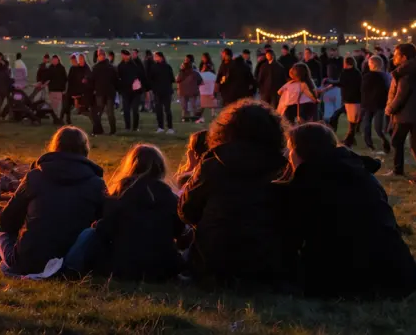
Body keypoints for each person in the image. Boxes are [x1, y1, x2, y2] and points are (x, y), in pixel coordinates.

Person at [283, 122, 416, 299]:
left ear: (300, 152)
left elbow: (292, 239)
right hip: (395, 275)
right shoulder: (363, 174)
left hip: (338, 281)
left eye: (290, 149)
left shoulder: (304, 184)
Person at [178, 101, 288, 287]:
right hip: (265, 261)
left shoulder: (212, 165)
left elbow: (187, 211)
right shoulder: (282, 168)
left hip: (215, 260)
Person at [0, 126, 106, 276]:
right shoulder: (96, 183)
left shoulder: (34, 177)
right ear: (84, 149)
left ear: (55, 147)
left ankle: (17, 262)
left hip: (28, 262)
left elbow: (7, 220)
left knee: (3, 234)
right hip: (70, 262)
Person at [65, 144, 185, 280]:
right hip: (162, 269)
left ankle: (70, 269)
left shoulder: (119, 194)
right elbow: (179, 230)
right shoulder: (170, 197)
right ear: (160, 168)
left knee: (89, 233)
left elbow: (106, 229)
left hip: (122, 267)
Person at [386, 43, 416, 177]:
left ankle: (399, 170)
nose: (393, 57)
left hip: (406, 115)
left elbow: (401, 96)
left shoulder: (406, 74)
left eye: (396, 55)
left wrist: (390, 109)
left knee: (397, 141)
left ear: (404, 57)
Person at [360, 56, 392, 153]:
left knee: (369, 125)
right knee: (376, 127)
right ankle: (382, 142)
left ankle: (370, 144)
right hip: (379, 104)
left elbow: (363, 90)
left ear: (373, 64)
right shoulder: (386, 76)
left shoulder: (368, 76)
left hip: (372, 104)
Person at [89, 50, 118, 135]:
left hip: (102, 93)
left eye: (100, 55)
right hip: (106, 93)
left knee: (101, 113)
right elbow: (115, 80)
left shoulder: (97, 68)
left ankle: (100, 130)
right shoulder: (111, 67)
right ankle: (111, 130)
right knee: (107, 113)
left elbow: (92, 80)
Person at [338, 56, 364, 146]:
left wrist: (330, 82)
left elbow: (341, 83)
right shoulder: (357, 73)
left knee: (352, 120)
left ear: (346, 63)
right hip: (356, 99)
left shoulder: (345, 73)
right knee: (353, 120)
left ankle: (349, 140)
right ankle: (350, 139)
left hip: (350, 99)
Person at [117, 49, 145, 131]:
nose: (124, 57)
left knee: (135, 110)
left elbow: (141, 75)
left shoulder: (135, 65)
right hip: (125, 91)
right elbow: (119, 78)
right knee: (126, 110)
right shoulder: (120, 66)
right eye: (122, 55)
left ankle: (135, 127)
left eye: (125, 55)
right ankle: (127, 126)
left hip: (135, 91)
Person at [148, 51, 175, 134]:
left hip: (166, 91)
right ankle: (160, 127)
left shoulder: (167, 67)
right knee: (159, 110)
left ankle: (170, 128)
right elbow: (150, 79)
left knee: (167, 110)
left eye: (156, 56)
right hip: (158, 92)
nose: (155, 58)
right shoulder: (154, 67)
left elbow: (172, 79)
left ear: (161, 57)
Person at [64, 53, 91, 124]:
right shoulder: (73, 68)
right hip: (72, 91)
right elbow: (69, 80)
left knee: (83, 110)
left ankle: (94, 121)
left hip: (81, 92)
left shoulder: (85, 68)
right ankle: (65, 120)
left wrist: (85, 79)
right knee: (66, 105)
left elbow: (88, 77)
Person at [177, 55, 201, 123]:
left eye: (186, 59)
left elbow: (178, 79)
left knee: (187, 106)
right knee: (190, 105)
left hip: (187, 90)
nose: (185, 60)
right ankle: (190, 118)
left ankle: (186, 118)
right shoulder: (191, 71)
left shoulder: (190, 70)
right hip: (189, 90)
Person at [44, 55, 67, 122]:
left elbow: (65, 79)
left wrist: (63, 88)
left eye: (55, 59)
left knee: (59, 105)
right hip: (52, 89)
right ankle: (55, 118)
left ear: (58, 60)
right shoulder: (50, 68)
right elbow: (47, 78)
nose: (54, 61)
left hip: (59, 90)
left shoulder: (61, 68)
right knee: (53, 105)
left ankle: (59, 118)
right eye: (53, 59)